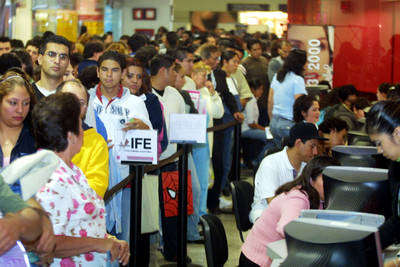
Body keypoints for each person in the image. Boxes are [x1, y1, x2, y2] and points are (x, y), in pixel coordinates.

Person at [32, 93, 130, 266]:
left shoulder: (72, 170)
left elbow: (80, 221)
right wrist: (99, 243)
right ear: (71, 136)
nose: (84, 132)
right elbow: (45, 242)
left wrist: (109, 240)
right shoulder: (51, 178)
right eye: (80, 125)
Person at [86, 50, 151, 246]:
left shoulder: (135, 102)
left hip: (125, 179)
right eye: (104, 70)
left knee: (124, 238)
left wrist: (143, 127)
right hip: (92, 176)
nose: (109, 75)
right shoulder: (88, 99)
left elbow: (148, 139)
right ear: (97, 72)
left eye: (114, 70)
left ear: (122, 73)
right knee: (94, 235)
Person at [240, 156, 340, 267]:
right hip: (258, 259)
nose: (332, 185)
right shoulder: (297, 198)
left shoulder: (319, 200)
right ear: (312, 180)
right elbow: (287, 228)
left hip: (277, 256)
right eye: (326, 180)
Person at [250, 122, 324, 223]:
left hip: (293, 214)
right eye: (312, 146)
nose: (315, 152)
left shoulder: (306, 166)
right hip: (266, 215)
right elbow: (272, 203)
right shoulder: (270, 163)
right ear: (298, 143)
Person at [57, 79, 109, 198]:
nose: (74, 107)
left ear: (86, 108)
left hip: (79, 210)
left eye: (81, 102)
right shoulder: (43, 131)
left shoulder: (96, 141)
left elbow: (97, 186)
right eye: (68, 100)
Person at [208, 50, 244, 213]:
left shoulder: (225, 76)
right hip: (215, 126)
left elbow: (228, 96)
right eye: (215, 58)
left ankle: (216, 197)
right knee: (217, 163)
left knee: (224, 162)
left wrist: (236, 110)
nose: (217, 61)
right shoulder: (210, 75)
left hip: (225, 125)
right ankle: (212, 201)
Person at [365, 100, 400, 267]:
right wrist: (365, 246)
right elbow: (397, 221)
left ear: (398, 133)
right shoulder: (396, 167)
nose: (379, 150)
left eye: (379, 143)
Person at [191, 61, 224, 216]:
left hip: (205, 143)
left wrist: (213, 94)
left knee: (204, 182)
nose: (205, 79)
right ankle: (193, 215)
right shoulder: (185, 91)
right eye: (202, 75)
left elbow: (218, 113)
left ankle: (201, 214)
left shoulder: (205, 92)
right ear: (193, 75)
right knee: (194, 183)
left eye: (206, 76)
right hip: (191, 144)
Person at [268, 49, 307, 146]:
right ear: (301, 64)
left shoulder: (277, 76)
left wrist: (271, 120)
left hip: (274, 123)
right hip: (288, 124)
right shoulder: (297, 80)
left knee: (279, 155)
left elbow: (270, 101)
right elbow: (299, 104)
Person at [241, 78, 274, 166]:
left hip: (250, 128)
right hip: (246, 130)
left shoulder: (254, 101)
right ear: (252, 89)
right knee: (272, 138)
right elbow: (251, 124)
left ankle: (258, 159)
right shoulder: (250, 101)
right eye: (259, 89)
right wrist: (265, 129)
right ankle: (258, 160)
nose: (261, 91)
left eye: (262, 89)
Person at [33, 35, 71, 100]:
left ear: (68, 63)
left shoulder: (73, 95)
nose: (57, 61)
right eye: (51, 55)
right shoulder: (28, 93)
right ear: (40, 59)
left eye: (63, 57)